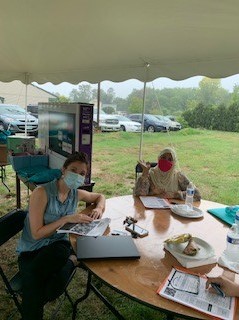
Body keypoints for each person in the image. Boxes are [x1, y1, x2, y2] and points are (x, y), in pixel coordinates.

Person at [17, 152, 106, 320]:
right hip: (33, 250)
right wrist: (66, 219)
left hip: (57, 247)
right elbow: (36, 234)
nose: (77, 176)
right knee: (49, 290)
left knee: (52, 259)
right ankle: (72, 262)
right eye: (73, 170)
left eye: (82, 174)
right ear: (63, 170)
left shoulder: (75, 193)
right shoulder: (42, 193)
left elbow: (100, 196)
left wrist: (99, 208)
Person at [134, 147, 201, 200]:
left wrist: (174, 195)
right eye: (163, 158)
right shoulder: (150, 175)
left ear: (174, 162)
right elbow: (139, 195)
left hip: (173, 213)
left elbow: (197, 194)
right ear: (158, 158)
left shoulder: (178, 176)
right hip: (152, 212)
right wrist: (145, 173)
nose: (166, 161)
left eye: (170, 159)